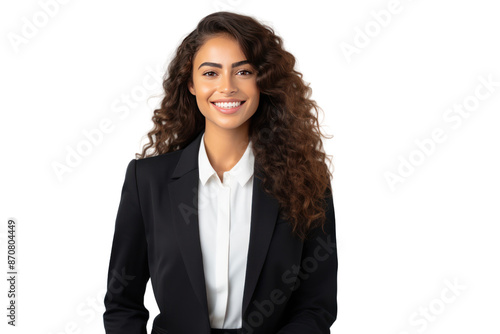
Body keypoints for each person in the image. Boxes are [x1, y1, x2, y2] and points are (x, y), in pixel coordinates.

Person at [103, 11, 337, 334]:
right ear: (191, 84)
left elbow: (316, 306)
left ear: (263, 81)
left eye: (243, 71)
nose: (227, 87)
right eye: (211, 73)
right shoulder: (147, 182)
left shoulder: (306, 180)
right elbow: (121, 304)